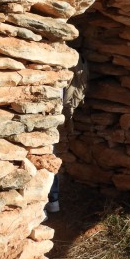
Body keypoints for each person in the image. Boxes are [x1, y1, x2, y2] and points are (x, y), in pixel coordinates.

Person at [46, 50, 88, 214]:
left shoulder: (68, 58)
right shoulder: (70, 57)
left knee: (46, 153)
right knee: (48, 153)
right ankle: (52, 200)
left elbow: (74, 91)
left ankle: (49, 201)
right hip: (54, 112)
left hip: (51, 113)